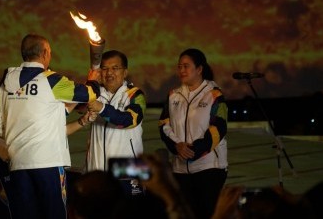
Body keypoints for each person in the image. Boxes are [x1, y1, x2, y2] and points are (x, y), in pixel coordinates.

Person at [0, 34, 100, 219]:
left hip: (17, 164)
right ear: (45, 53)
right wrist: (93, 78)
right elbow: (90, 93)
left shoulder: (4, 84)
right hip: (48, 163)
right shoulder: (52, 80)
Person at [158, 48, 228, 219]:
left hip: (209, 168)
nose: (182, 70)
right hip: (180, 169)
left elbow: (218, 128)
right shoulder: (173, 95)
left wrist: (193, 151)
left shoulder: (214, 95)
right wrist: (177, 146)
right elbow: (164, 124)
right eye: (179, 66)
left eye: (186, 66)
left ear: (199, 69)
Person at [85, 50, 146, 196]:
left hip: (128, 171)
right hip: (97, 171)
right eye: (104, 69)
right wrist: (90, 82)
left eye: (115, 68)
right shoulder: (94, 94)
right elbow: (79, 106)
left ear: (125, 72)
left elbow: (130, 120)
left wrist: (102, 108)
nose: (109, 73)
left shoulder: (135, 94)